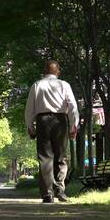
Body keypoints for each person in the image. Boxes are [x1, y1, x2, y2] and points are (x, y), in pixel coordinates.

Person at [25, 60, 79, 203]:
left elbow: (29, 109)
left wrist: (30, 127)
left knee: (45, 158)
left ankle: (47, 194)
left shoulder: (37, 85)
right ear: (58, 71)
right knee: (61, 157)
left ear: (44, 71)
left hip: (43, 121)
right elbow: (73, 106)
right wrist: (74, 125)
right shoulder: (64, 85)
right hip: (60, 121)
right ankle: (60, 190)